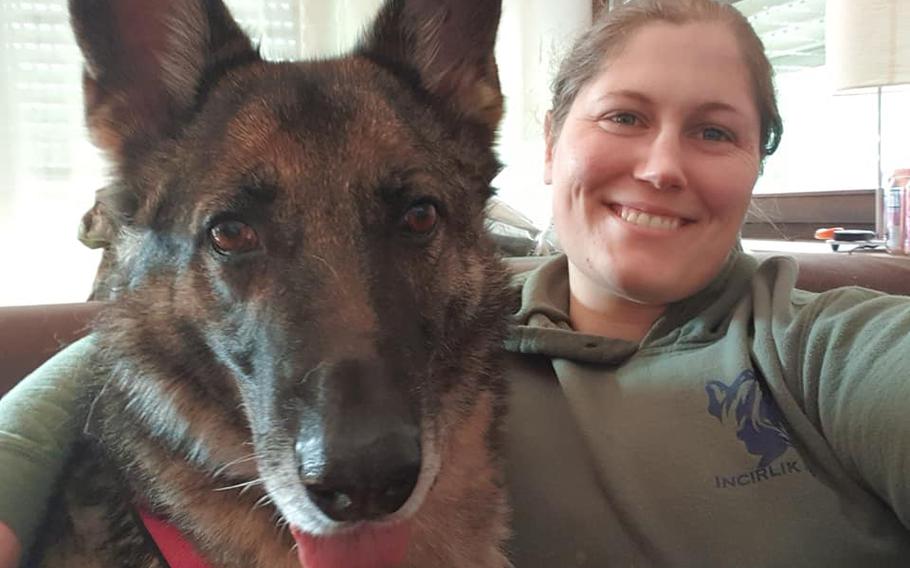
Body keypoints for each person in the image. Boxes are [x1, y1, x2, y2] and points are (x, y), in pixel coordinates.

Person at [3, 0, 910, 565]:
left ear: (759, 162)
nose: (662, 167)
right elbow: (116, 350)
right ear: (550, 143)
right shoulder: (492, 325)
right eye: (625, 116)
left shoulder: (828, 344)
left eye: (716, 132)